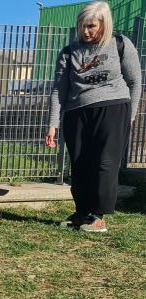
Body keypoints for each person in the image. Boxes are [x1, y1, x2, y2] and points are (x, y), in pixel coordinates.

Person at [45, 1, 141, 232]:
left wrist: (130, 117)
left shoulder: (120, 44)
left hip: (113, 108)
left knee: (105, 164)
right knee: (80, 164)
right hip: (76, 112)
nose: (85, 31)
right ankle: (82, 211)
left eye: (91, 26)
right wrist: (53, 125)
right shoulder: (69, 52)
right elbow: (59, 89)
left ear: (103, 25)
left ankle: (98, 216)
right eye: (82, 26)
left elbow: (135, 81)